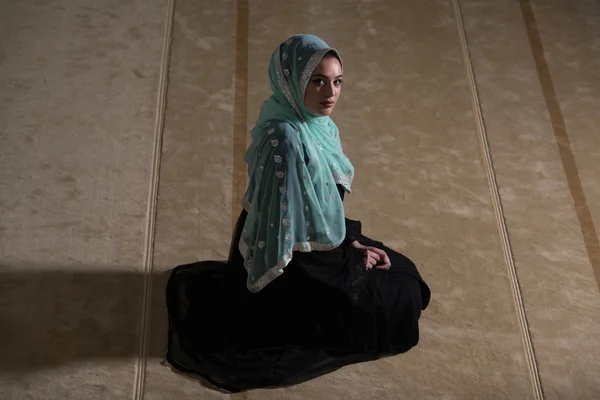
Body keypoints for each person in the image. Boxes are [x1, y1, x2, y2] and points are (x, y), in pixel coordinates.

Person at [165, 34, 431, 393]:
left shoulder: (312, 123)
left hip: (308, 239)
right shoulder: (286, 140)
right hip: (291, 269)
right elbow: (287, 236)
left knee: (402, 274)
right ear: (292, 80)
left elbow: (315, 210)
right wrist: (351, 259)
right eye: (317, 81)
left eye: (337, 81)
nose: (330, 93)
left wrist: (350, 242)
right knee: (402, 295)